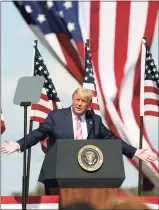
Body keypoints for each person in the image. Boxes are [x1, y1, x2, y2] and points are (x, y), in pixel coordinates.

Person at [0, 87, 156, 163]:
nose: (79, 104)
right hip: (59, 169)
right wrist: (18, 145)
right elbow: (38, 134)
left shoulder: (94, 120)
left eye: (83, 101)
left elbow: (112, 139)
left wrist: (135, 152)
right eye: (77, 100)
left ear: (88, 104)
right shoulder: (56, 116)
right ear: (73, 99)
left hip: (88, 170)